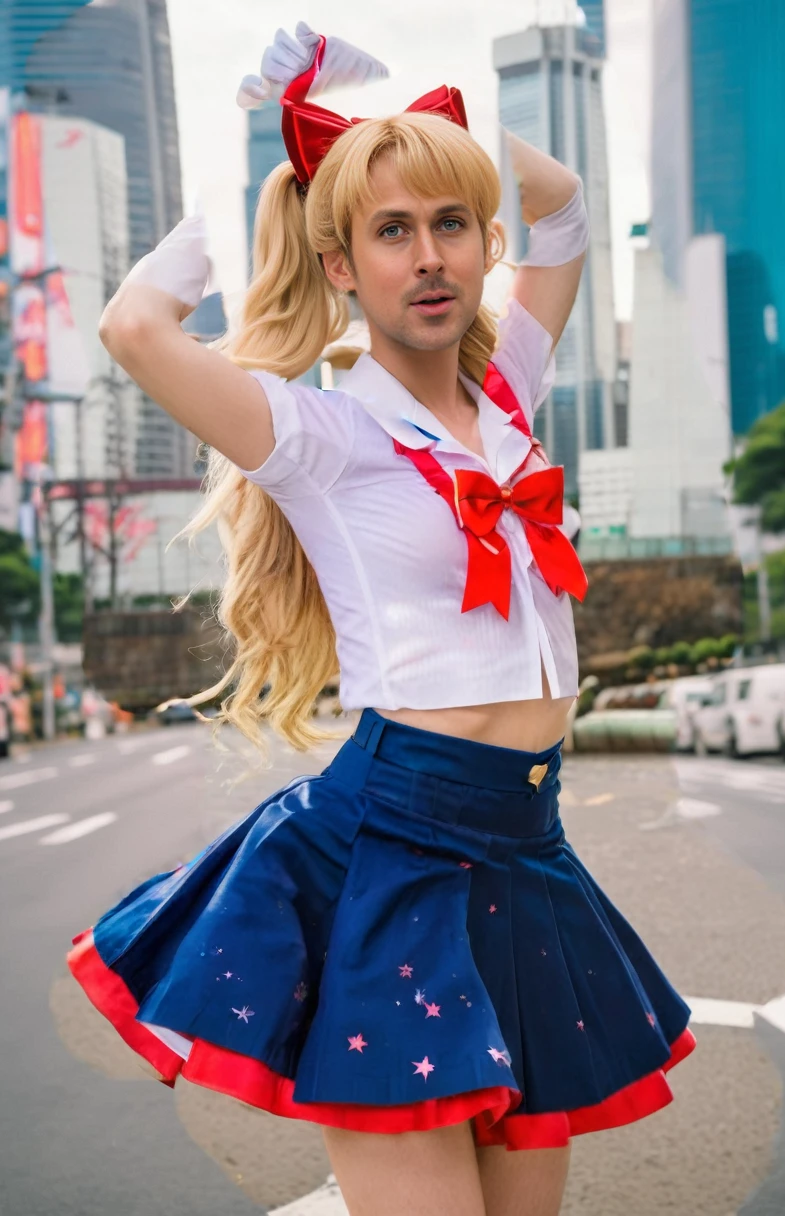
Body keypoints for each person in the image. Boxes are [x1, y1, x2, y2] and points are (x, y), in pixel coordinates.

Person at [67, 24, 696, 1216]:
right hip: (392, 845)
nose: (427, 257)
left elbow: (561, 217)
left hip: (531, 849)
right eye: (390, 230)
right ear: (342, 266)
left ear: (478, 242)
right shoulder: (317, 433)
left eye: (450, 223)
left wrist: (412, 120)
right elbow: (135, 332)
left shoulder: (509, 381)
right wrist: (252, 163)